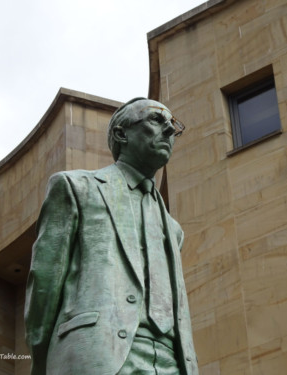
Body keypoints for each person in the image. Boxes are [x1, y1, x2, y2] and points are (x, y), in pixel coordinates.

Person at [24, 98, 198, 375]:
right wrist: (43, 361)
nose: (168, 131)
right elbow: (45, 282)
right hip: (96, 355)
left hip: (171, 363)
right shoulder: (76, 188)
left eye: (172, 125)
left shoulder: (173, 229)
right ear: (121, 133)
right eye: (156, 120)